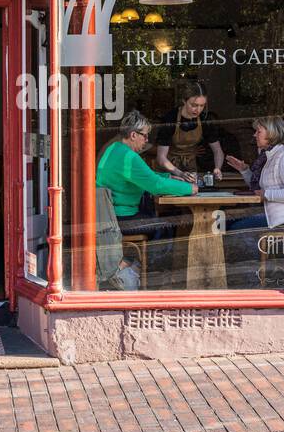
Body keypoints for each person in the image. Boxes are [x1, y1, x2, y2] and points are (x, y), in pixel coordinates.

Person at [96, 111, 197, 284]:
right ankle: (150, 273)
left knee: (152, 215)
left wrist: (170, 177)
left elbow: (147, 176)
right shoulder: (129, 157)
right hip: (121, 218)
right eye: (144, 135)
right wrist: (190, 188)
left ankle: (131, 262)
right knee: (166, 227)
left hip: (111, 216)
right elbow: (155, 186)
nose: (146, 140)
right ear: (133, 135)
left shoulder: (114, 149)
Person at [225, 116, 284, 232]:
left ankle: (250, 251)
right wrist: (244, 170)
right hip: (271, 214)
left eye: (258, 131)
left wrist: (266, 194)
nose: (255, 135)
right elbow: (259, 186)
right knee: (224, 221)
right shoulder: (269, 156)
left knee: (233, 228)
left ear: (272, 133)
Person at [154, 80, 227, 183]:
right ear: (184, 101)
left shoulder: (204, 119)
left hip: (190, 168)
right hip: (168, 169)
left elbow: (217, 150)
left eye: (202, 106)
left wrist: (218, 168)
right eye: (194, 105)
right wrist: (180, 173)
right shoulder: (170, 118)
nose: (198, 110)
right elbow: (161, 158)